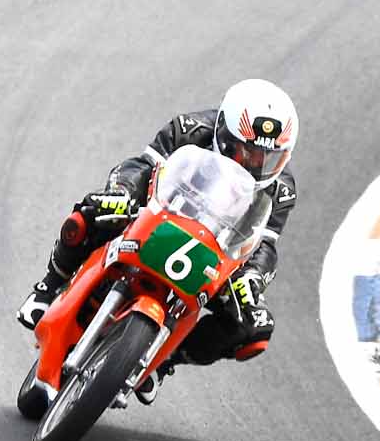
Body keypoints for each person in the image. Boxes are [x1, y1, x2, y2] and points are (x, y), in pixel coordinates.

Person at [17, 79, 299, 401]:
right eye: (247, 152)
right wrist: (121, 192)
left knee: (253, 328)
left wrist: (253, 278)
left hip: (215, 256)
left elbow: (265, 243)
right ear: (223, 133)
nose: (256, 165)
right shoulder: (190, 129)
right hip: (158, 215)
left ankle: (163, 362)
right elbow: (140, 167)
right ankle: (48, 287)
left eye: (269, 158)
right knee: (88, 215)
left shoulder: (282, 190)